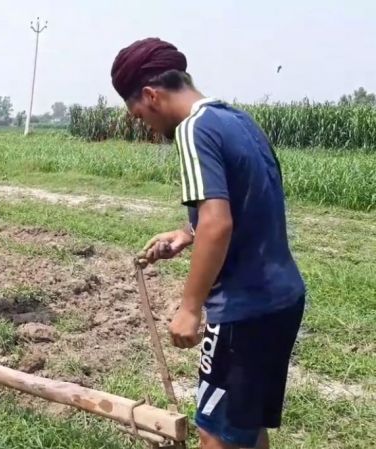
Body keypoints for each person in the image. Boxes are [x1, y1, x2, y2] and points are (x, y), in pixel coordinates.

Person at [110, 38, 306, 449]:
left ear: (151, 96)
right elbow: (251, 204)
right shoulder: (235, 119)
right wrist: (187, 233)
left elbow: (218, 224)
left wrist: (189, 307)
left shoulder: (193, 130)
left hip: (243, 309)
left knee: (214, 432)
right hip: (281, 298)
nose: (147, 126)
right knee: (245, 426)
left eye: (141, 116)